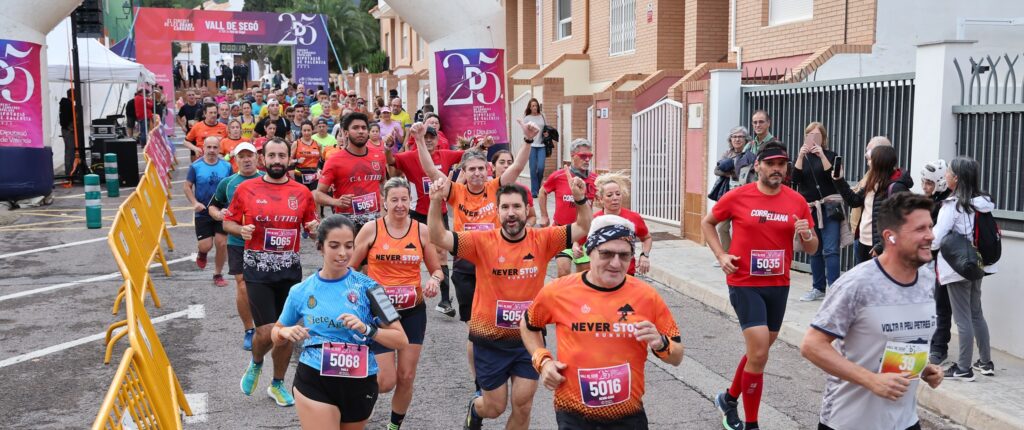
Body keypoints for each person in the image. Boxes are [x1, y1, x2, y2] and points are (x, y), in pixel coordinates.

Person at [426, 173, 592, 430]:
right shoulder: (482, 241)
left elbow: (582, 227)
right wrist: (435, 202)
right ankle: (475, 408)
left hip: (528, 339)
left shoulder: (543, 239)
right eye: (505, 207)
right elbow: (439, 237)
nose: (511, 213)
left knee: (523, 404)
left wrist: (580, 199)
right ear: (497, 212)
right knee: (494, 407)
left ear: (527, 209)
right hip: (489, 339)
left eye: (516, 206)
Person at [523, 215, 683, 429]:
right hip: (573, 413)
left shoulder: (647, 296)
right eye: (606, 253)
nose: (616, 263)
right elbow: (528, 325)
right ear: (590, 251)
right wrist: (542, 361)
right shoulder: (558, 291)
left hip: (628, 415)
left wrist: (661, 344)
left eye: (624, 256)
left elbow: (677, 356)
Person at [700, 142, 819, 430]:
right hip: (744, 282)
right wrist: (721, 254)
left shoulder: (796, 201)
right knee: (759, 353)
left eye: (782, 164)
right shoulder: (739, 196)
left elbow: (813, 249)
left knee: (759, 352)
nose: (777, 169)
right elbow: (708, 222)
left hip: (778, 284)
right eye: (771, 164)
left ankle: (728, 398)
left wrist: (806, 235)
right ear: (758, 166)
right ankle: (750, 423)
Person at [801, 192, 944, 430]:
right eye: (920, 229)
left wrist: (922, 367)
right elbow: (812, 345)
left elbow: (901, 339)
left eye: (930, 227)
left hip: (905, 421)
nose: (930, 235)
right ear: (891, 237)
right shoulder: (858, 284)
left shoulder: (927, 281)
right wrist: (872, 380)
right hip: (850, 421)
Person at [272, 215, 408, 428]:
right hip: (314, 378)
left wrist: (368, 330)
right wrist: (284, 333)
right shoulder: (301, 291)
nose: (342, 253)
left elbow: (401, 340)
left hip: (360, 382)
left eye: (348, 246)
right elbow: (277, 332)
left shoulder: (371, 287)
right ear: (320, 247)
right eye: (334, 246)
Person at [223, 138, 320, 407]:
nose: (277, 160)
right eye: (272, 156)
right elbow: (229, 220)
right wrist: (240, 230)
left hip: (290, 273)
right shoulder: (246, 189)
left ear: (290, 159)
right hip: (258, 269)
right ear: (263, 160)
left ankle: (277, 384)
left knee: (287, 331)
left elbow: (311, 226)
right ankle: (256, 363)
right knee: (266, 331)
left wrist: (315, 229)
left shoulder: (302, 192)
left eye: (282, 155)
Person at [349, 178, 442, 430]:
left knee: (406, 376)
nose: (400, 205)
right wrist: (358, 296)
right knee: (386, 380)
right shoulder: (371, 229)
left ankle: (394, 427)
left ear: (410, 202)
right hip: (380, 309)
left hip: (413, 309)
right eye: (394, 200)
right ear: (384, 202)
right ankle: (351, 401)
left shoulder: (421, 230)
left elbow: (437, 269)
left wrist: (433, 280)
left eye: (404, 200)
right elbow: (350, 269)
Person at [388, 124, 465, 317]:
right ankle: (397, 293)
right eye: (426, 137)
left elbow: (468, 155)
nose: (429, 140)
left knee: (441, 254)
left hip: (438, 212)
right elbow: (390, 161)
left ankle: (445, 300)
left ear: (438, 140)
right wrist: (387, 147)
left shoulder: (445, 155)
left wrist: (481, 145)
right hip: (415, 213)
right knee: (406, 252)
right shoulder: (409, 156)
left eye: (433, 137)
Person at [932, 157, 997, 380]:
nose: (945, 175)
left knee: (962, 318)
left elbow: (936, 239)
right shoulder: (982, 203)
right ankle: (986, 362)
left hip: (956, 267)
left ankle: (963, 368)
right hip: (976, 264)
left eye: (948, 172)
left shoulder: (953, 205)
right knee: (976, 313)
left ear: (956, 178)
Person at [209, 142, 263, 351]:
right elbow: (213, 205)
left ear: (257, 158)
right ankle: (249, 329)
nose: (247, 160)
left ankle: (269, 325)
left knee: (265, 284)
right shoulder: (228, 183)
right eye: (242, 156)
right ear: (235, 160)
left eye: (250, 156)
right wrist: (217, 214)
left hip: (266, 241)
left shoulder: (266, 179)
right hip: (238, 241)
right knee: (242, 284)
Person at [834, 145, 913, 264]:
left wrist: (881, 246)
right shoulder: (873, 181)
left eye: (871, 160)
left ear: (879, 163)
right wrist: (839, 180)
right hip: (863, 241)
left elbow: (899, 222)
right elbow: (854, 201)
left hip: (878, 246)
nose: (868, 163)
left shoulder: (897, 187)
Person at [793, 122, 843, 302]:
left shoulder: (830, 155)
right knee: (815, 249)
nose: (813, 138)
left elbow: (835, 177)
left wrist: (821, 155)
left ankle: (835, 290)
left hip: (829, 207)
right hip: (810, 208)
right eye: (810, 135)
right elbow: (795, 179)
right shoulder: (802, 157)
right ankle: (818, 288)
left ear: (823, 138)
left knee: (830, 249)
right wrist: (800, 156)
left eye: (817, 135)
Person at [315, 112, 387, 233]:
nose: (361, 131)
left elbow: (381, 183)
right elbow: (318, 194)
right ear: (346, 132)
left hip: (374, 222)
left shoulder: (379, 156)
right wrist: (336, 202)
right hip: (347, 223)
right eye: (355, 128)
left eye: (364, 128)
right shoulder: (334, 160)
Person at [538, 139, 598, 277]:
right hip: (562, 231)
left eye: (590, 156)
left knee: (583, 277)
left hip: (584, 235)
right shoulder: (559, 176)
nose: (587, 159)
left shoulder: (595, 179)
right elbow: (542, 192)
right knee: (563, 272)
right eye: (583, 156)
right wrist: (544, 215)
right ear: (572, 155)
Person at [184, 136, 233, 287]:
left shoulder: (226, 166)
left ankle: (217, 274)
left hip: (220, 210)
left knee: (222, 243)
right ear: (203, 148)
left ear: (219, 149)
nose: (212, 150)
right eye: (209, 147)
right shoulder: (195, 166)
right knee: (206, 245)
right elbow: (187, 186)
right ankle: (202, 253)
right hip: (203, 211)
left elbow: (231, 186)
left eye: (215, 147)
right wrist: (195, 203)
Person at [919, 160, 954, 365]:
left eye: (929, 183)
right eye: (924, 182)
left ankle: (939, 348)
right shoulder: (929, 201)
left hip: (941, 262)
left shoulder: (946, 204)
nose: (925, 187)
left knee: (941, 307)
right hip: (926, 261)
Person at [591, 172, 653, 276]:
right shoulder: (595, 220)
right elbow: (579, 242)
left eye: (618, 194)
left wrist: (644, 255)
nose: (615, 198)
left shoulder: (634, 217)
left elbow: (647, 238)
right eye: (609, 195)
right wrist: (576, 248)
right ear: (601, 199)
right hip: (602, 274)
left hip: (627, 273)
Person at [712, 126, 751, 263]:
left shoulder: (750, 154)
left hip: (745, 196)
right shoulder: (728, 153)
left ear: (746, 139)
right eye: (734, 137)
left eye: (740, 137)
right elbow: (717, 170)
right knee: (722, 227)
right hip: (729, 196)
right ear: (730, 139)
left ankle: (742, 255)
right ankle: (727, 254)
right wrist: (730, 172)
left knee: (741, 229)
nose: (737, 139)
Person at [490, 150, 537, 225]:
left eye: (509, 163)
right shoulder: (485, 189)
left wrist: (527, 226)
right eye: (502, 162)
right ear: (493, 167)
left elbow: (532, 217)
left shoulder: (523, 189)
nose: (506, 165)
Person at [523, 98, 546, 197]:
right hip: (532, 146)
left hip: (542, 145)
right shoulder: (527, 118)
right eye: (533, 106)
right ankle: (534, 191)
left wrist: (546, 133)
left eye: (536, 105)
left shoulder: (542, 116)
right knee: (533, 169)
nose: (535, 107)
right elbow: (524, 132)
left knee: (540, 167)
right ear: (530, 107)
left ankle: (539, 186)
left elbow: (546, 127)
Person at [292, 121, 323, 191]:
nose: (306, 133)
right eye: (304, 130)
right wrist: (297, 160)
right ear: (301, 131)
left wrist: (319, 169)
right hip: (300, 174)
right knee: (302, 195)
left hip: (314, 174)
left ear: (312, 130)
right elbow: (288, 161)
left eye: (308, 130)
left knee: (314, 196)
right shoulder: (296, 143)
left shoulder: (318, 144)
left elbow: (321, 160)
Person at [59, 89, 75, 176]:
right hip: (68, 130)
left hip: (66, 130)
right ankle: (70, 172)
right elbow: (66, 119)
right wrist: (70, 127)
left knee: (68, 151)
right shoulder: (68, 105)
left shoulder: (65, 104)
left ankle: (69, 171)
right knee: (70, 151)